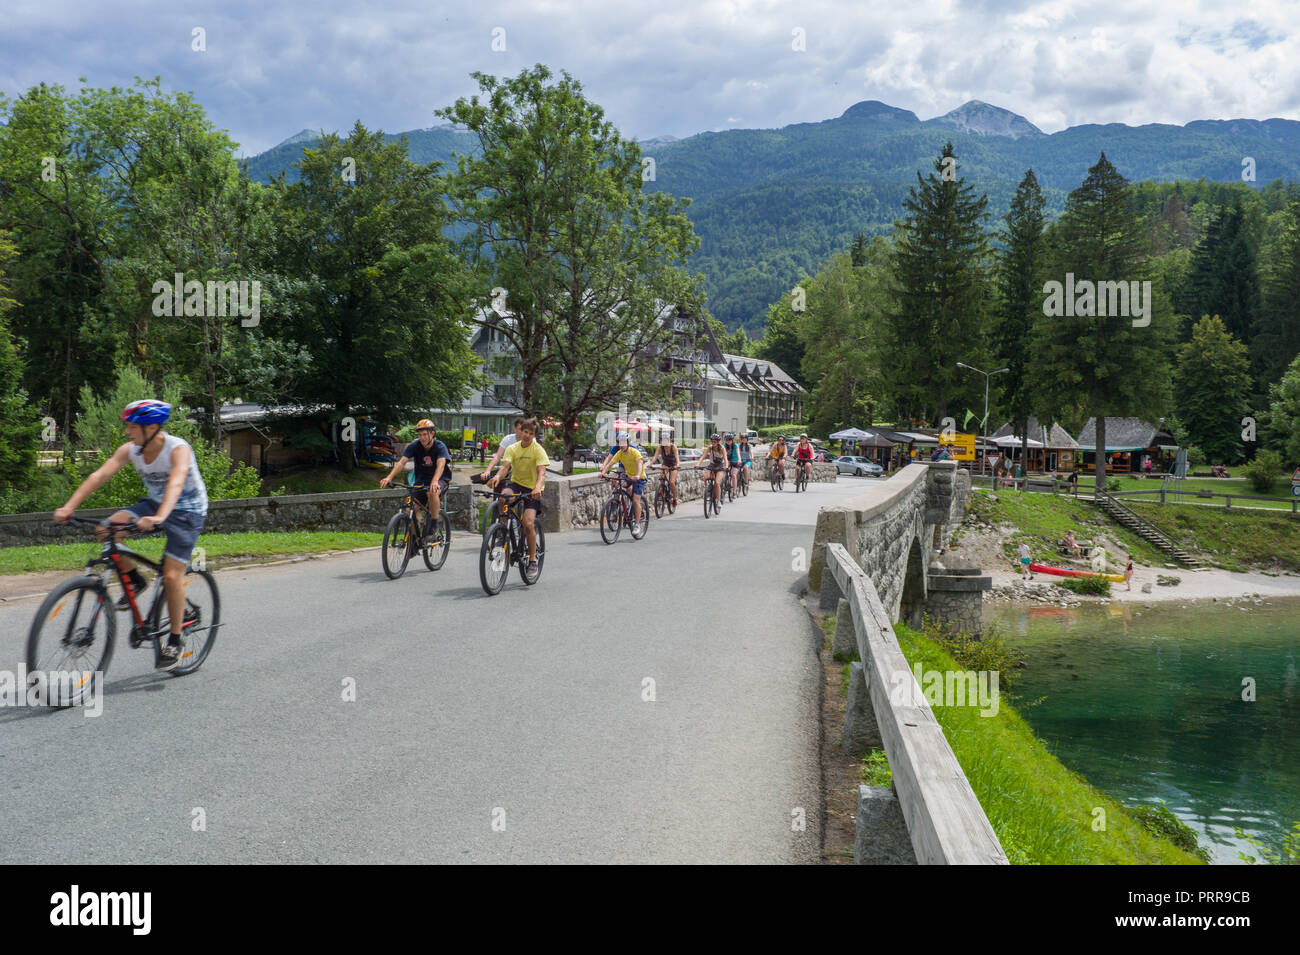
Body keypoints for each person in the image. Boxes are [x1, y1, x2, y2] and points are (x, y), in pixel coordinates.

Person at [53, 400, 208, 671]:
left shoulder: (177, 449)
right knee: (105, 529)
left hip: (187, 510)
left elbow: (177, 481)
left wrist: (160, 517)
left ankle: (174, 640)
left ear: (151, 427)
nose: (127, 432)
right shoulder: (131, 450)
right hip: (155, 506)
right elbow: (99, 475)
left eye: (132, 426)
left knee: (172, 575)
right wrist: (69, 506)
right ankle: (135, 580)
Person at [486, 417, 548, 573]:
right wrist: (497, 477)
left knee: (528, 524)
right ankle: (502, 530)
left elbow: (542, 472)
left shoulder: (538, 449)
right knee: (502, 498)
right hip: (516, 485)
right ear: (520, 431)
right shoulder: (512, 448)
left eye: (530, 433)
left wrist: (537, 487)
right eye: (525, 431)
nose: (526, 435)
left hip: (532, 488)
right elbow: (505, 467)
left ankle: (533, 559)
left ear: (534, 435)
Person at [380, 419, 450, 536]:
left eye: (424, 434)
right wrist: (389, 477)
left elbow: (441, 464)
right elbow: (402, 462)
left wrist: (435, 481)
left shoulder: (439, 446)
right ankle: (415, 540)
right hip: (421, 482)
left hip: (440, 480)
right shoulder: (414, 445)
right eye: (420, 435)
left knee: (432, 491)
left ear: (432, 433)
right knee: (410, 509)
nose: (422, 438)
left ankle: (434, 522)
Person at [599, 431, 646, 526]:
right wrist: (603, 472)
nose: (621, 445)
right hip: (628, 474)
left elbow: (640, 464)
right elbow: (610, 462)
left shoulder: (634, 451)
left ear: (628, 443)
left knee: (635, 498)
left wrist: (637, 475)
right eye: (619, 442)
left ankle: (637, 524)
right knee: (617, 483)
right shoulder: (619, 452)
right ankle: (617, 504)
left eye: (623, 442)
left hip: (639, 477)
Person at [479, 417, 524, 483]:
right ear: (514, 429)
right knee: (498, 483)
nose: (522, 432)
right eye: (520, 429)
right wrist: (488, 470)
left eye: (524, 430)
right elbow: (498, 456)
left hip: (525, 472)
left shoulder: (531, 441)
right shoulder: (508, 439)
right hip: (510, 469)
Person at [647, 433, 679, 506]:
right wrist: (650, 464)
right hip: (665, 465)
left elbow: (677, 457)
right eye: (662, 440)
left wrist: (678, 465)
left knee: (671, 482)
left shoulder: (673, 446)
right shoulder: (660, 447)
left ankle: (674, 498)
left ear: (668, 440)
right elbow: (655, 457)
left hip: (673, 465)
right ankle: (661, 492)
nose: (664, 441)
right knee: (661, 478)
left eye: (665, 440)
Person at [700, 433, 727, 503]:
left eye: (715, 441)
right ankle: (708, 490)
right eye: (712, 441)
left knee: (717, 483)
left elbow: (725, 458)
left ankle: (718, 501)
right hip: (712, 465)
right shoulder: (710, 447)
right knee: (706, 477)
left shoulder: (722, 448)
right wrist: (698, 464)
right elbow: (703, 456)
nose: (713, 443)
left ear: (718, 442)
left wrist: (726, 465)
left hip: (720, 466)